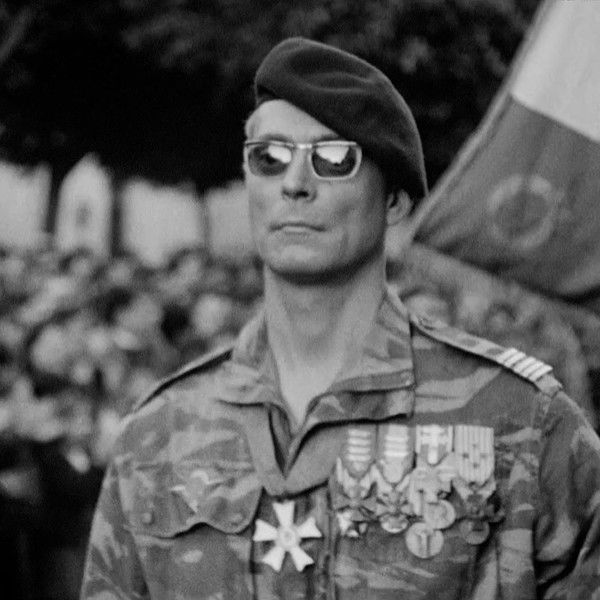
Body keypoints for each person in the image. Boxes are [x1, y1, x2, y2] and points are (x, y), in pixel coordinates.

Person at [80, 38, 600, 599]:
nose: (294, 183)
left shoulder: (522, 422)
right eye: (269, 157)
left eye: (333, 159)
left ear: (394, 200)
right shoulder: (157, 433)